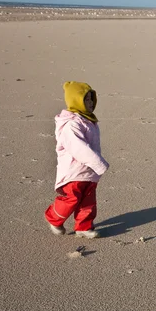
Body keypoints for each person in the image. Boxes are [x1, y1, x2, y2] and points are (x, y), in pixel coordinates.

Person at [44, 81, 109, 238]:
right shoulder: (71, 124)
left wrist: (94, 166)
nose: (90, 103)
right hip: (73, 171)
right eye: (86, 100)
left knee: (88, 201)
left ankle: (84, 227)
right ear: (76, 101)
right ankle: (53, 218)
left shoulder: (90, 121)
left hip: (88, 171)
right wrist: (98, 163)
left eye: (91, 99)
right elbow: (78, 148)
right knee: (72, 198)